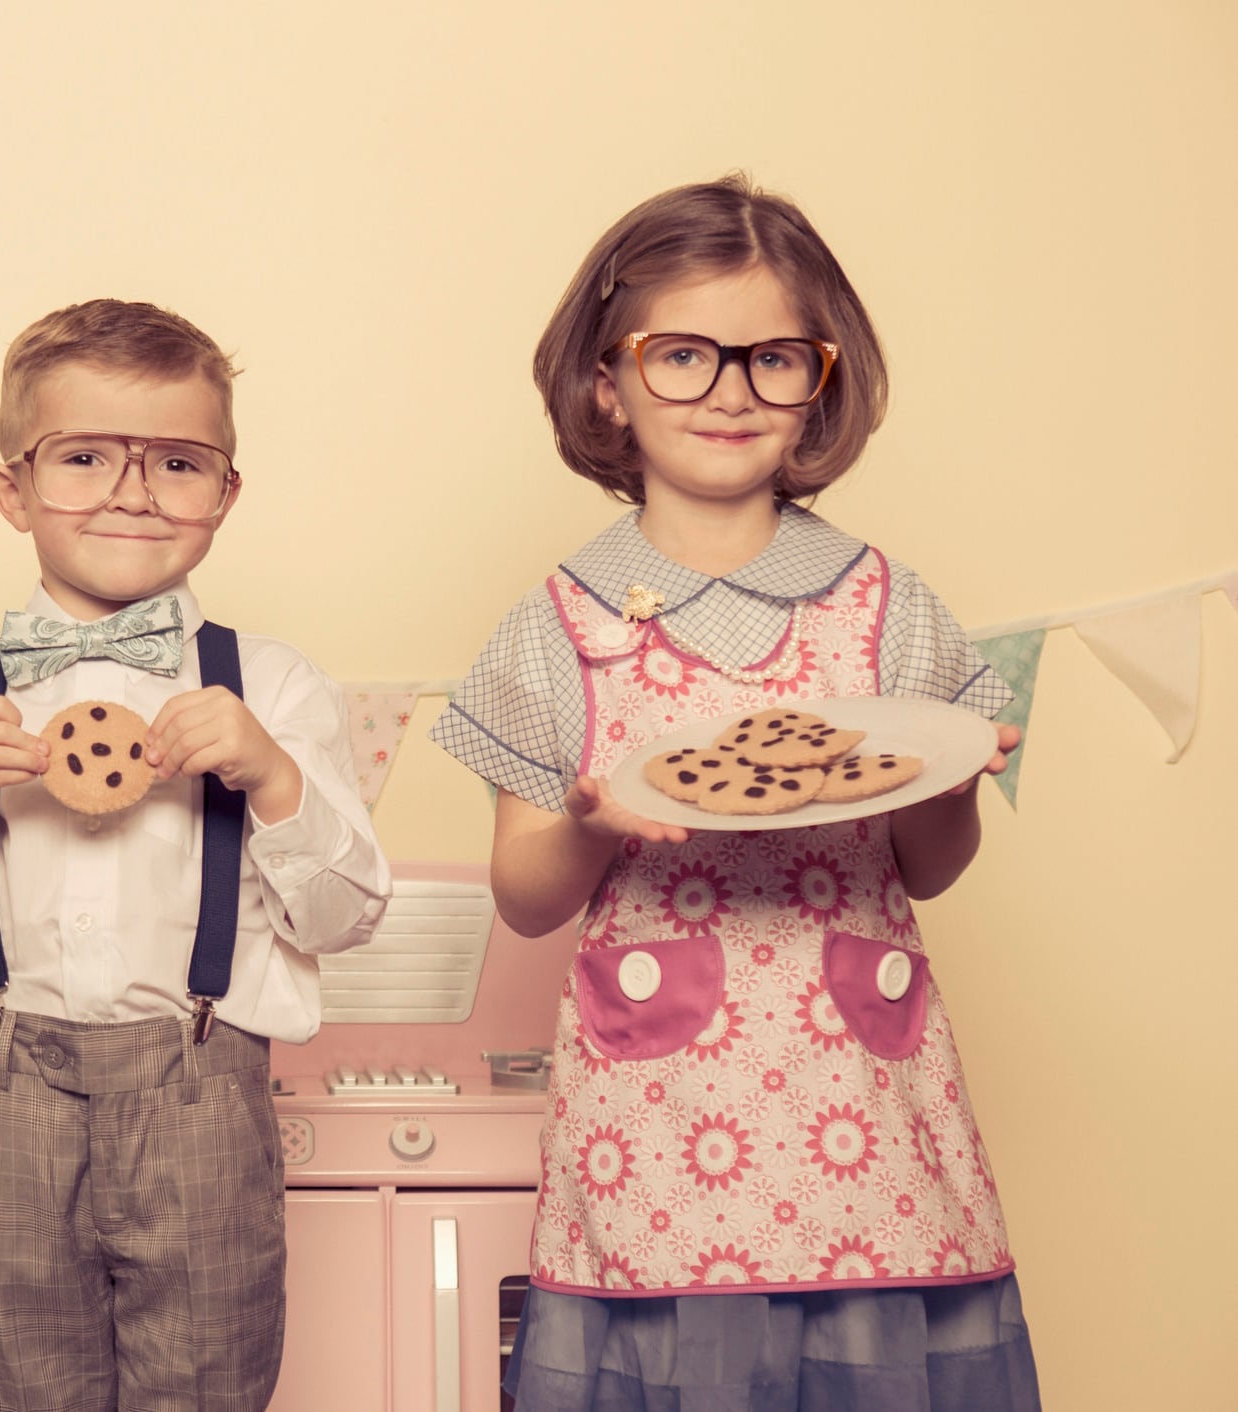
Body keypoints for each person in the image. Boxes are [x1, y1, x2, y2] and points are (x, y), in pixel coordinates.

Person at [431, 177, 1041, 1410]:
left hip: (867, 1128)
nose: (731, 391)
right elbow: (526, 897)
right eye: (683, 354)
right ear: (606, 381)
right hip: (657, 1136)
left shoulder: (888, 604)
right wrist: (591, 826)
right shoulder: (556, 624)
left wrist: (952, 773)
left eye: (773, 358)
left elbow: (930, 865)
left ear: (820, 381)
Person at [0, 298, 389, 1411]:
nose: (132, 493)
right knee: (20, 1382)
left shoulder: (272, 687)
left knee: (210, 1382)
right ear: (10, 489)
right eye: (83, 457)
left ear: (224, 493)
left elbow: (347, 914)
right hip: (8, 1095)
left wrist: (272, 777)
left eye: (176, 462)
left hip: (205, 1095)